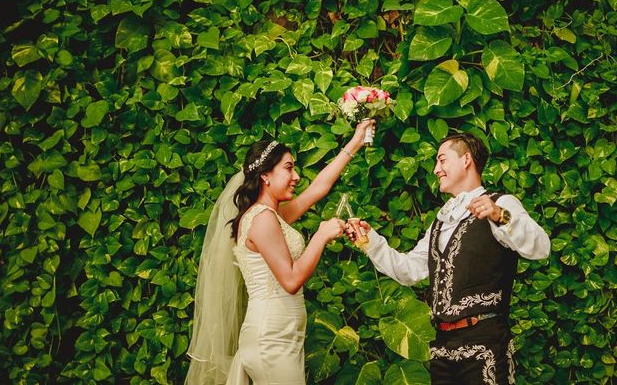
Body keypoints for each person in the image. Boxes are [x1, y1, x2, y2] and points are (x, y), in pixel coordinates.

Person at [346, 132, 551, 385]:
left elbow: (541, 248)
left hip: (484, 344)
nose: (436, 169)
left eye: (442, 160)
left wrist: (500, 215)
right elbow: (410, 270)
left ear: (466, 160)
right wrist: (371, 241)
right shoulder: (440, 221)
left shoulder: (501, 203)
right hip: (443, 347)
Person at [186, 119, 375, 385]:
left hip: (283, 335)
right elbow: (290, 280)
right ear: (265, 175)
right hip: (271, 338)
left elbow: (319, 188)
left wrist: (356, 141)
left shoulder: (272, 215)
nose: (296, 176)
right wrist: (320, 236)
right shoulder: (262, 219)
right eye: (288, 168)